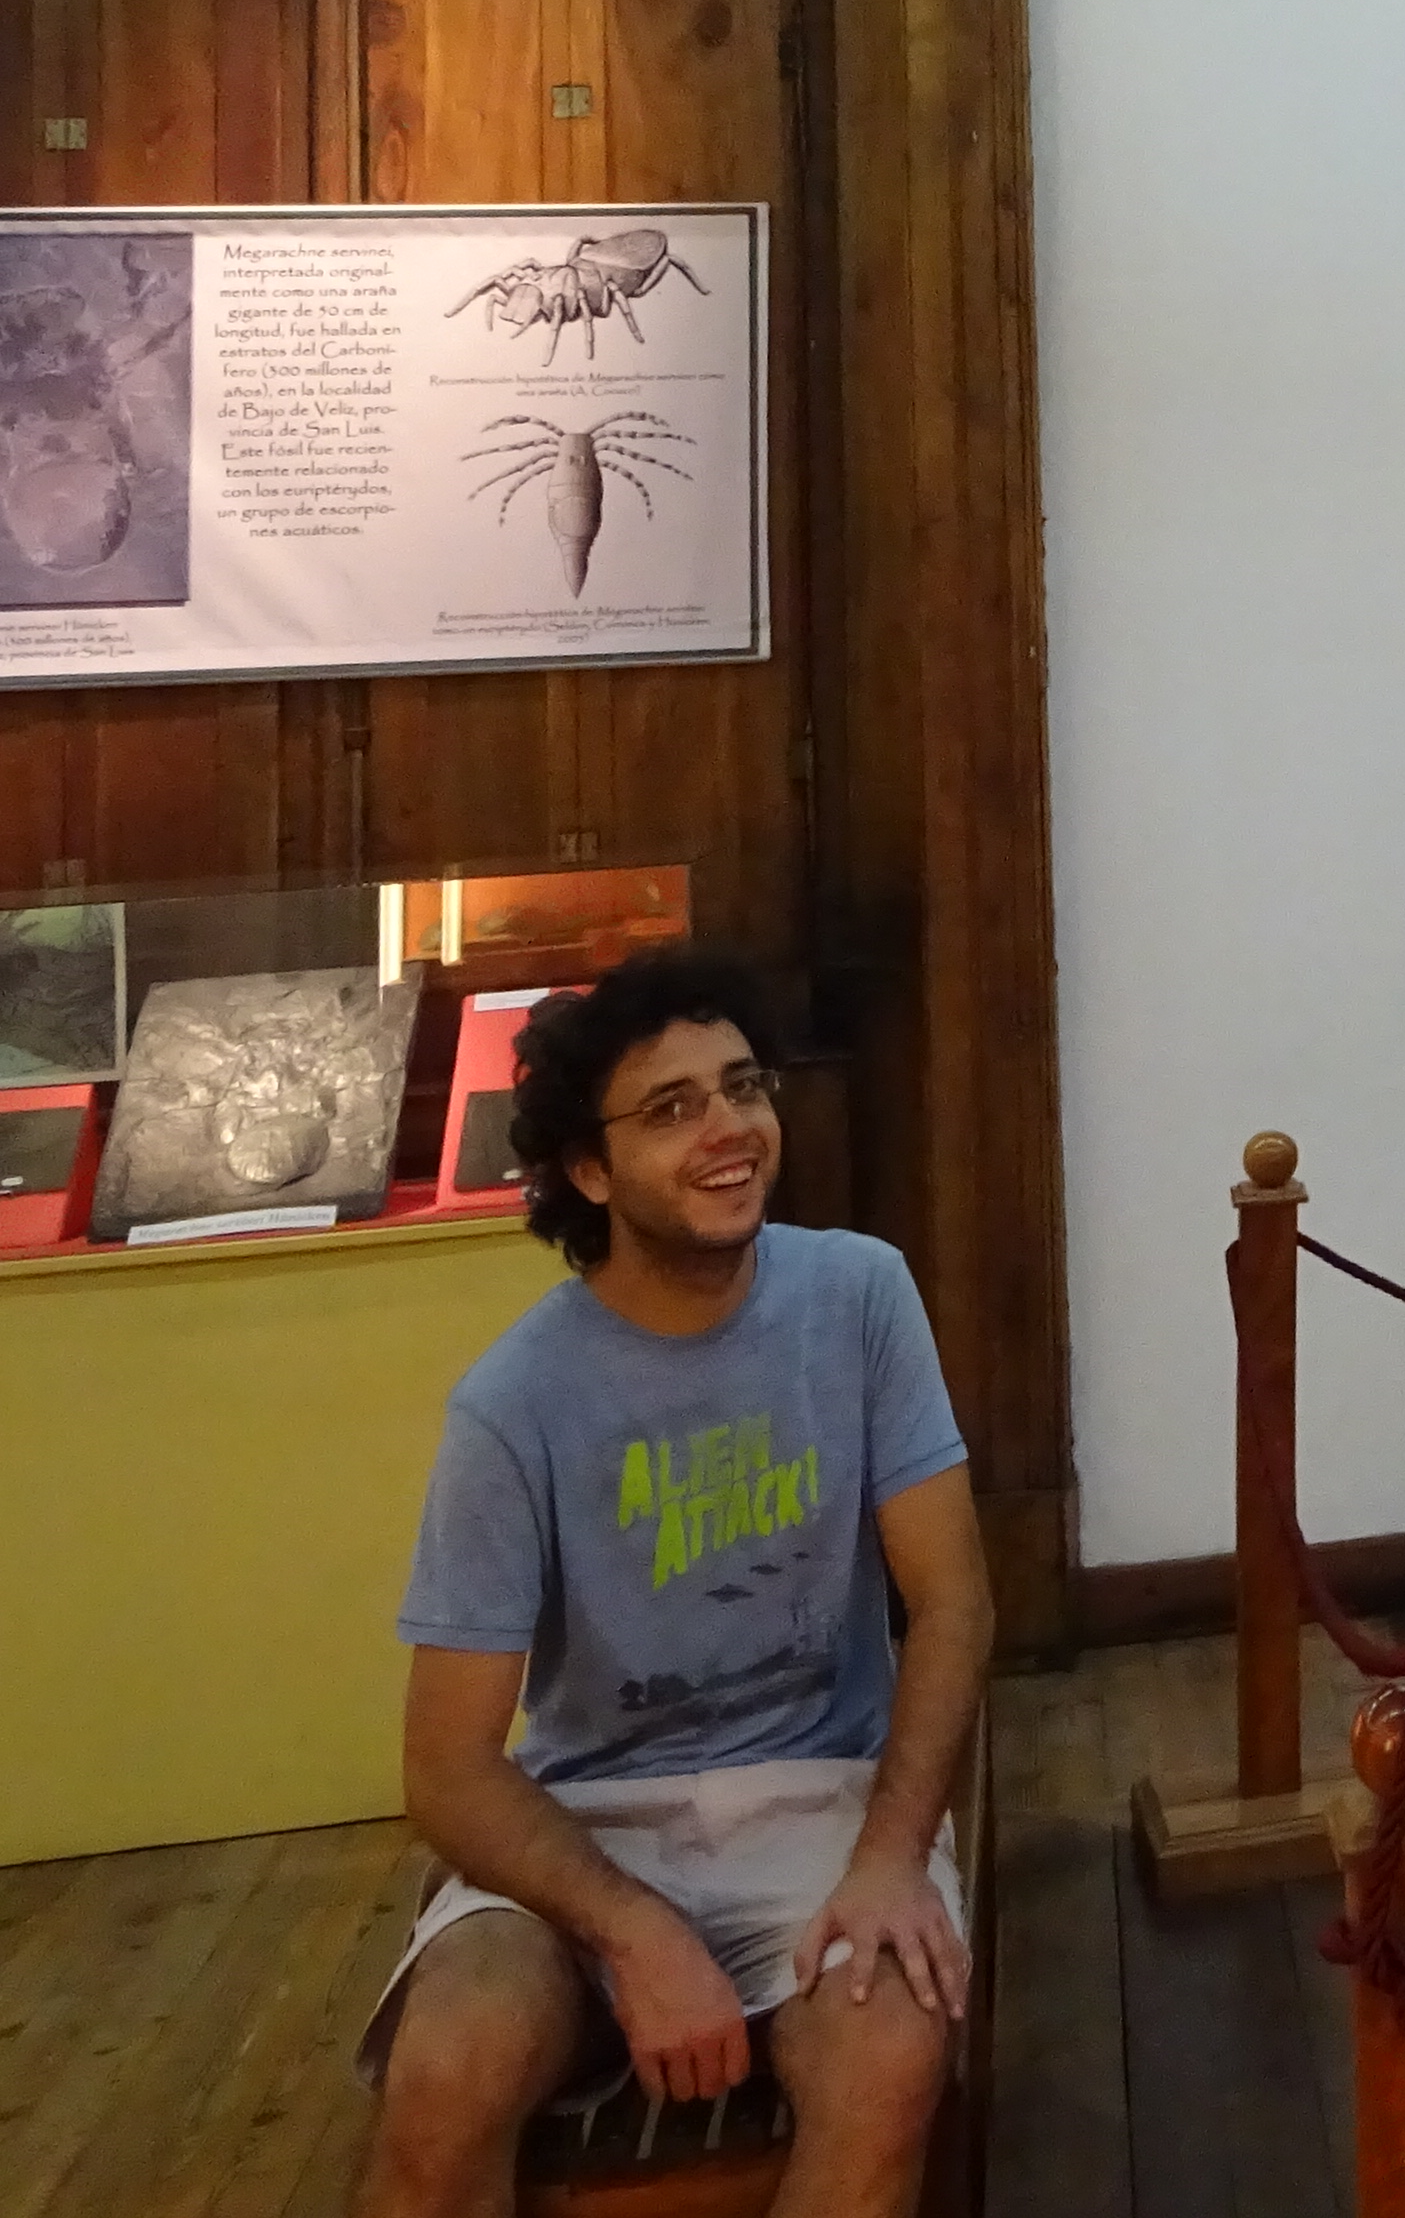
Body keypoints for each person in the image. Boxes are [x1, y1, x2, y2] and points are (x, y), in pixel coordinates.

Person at [352, 950, 990, 2218]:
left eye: (742, 1087)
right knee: (447, 2072)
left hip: (824, 1802)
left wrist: (891, 1858)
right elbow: (448, 1766)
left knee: (887, 2058)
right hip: (589, 1828)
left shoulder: (858, 1295)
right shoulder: (514, 1405)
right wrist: (634, 1931)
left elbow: (953, 1603)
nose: (729, 1130)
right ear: (588, 1172)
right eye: (671, 1108)